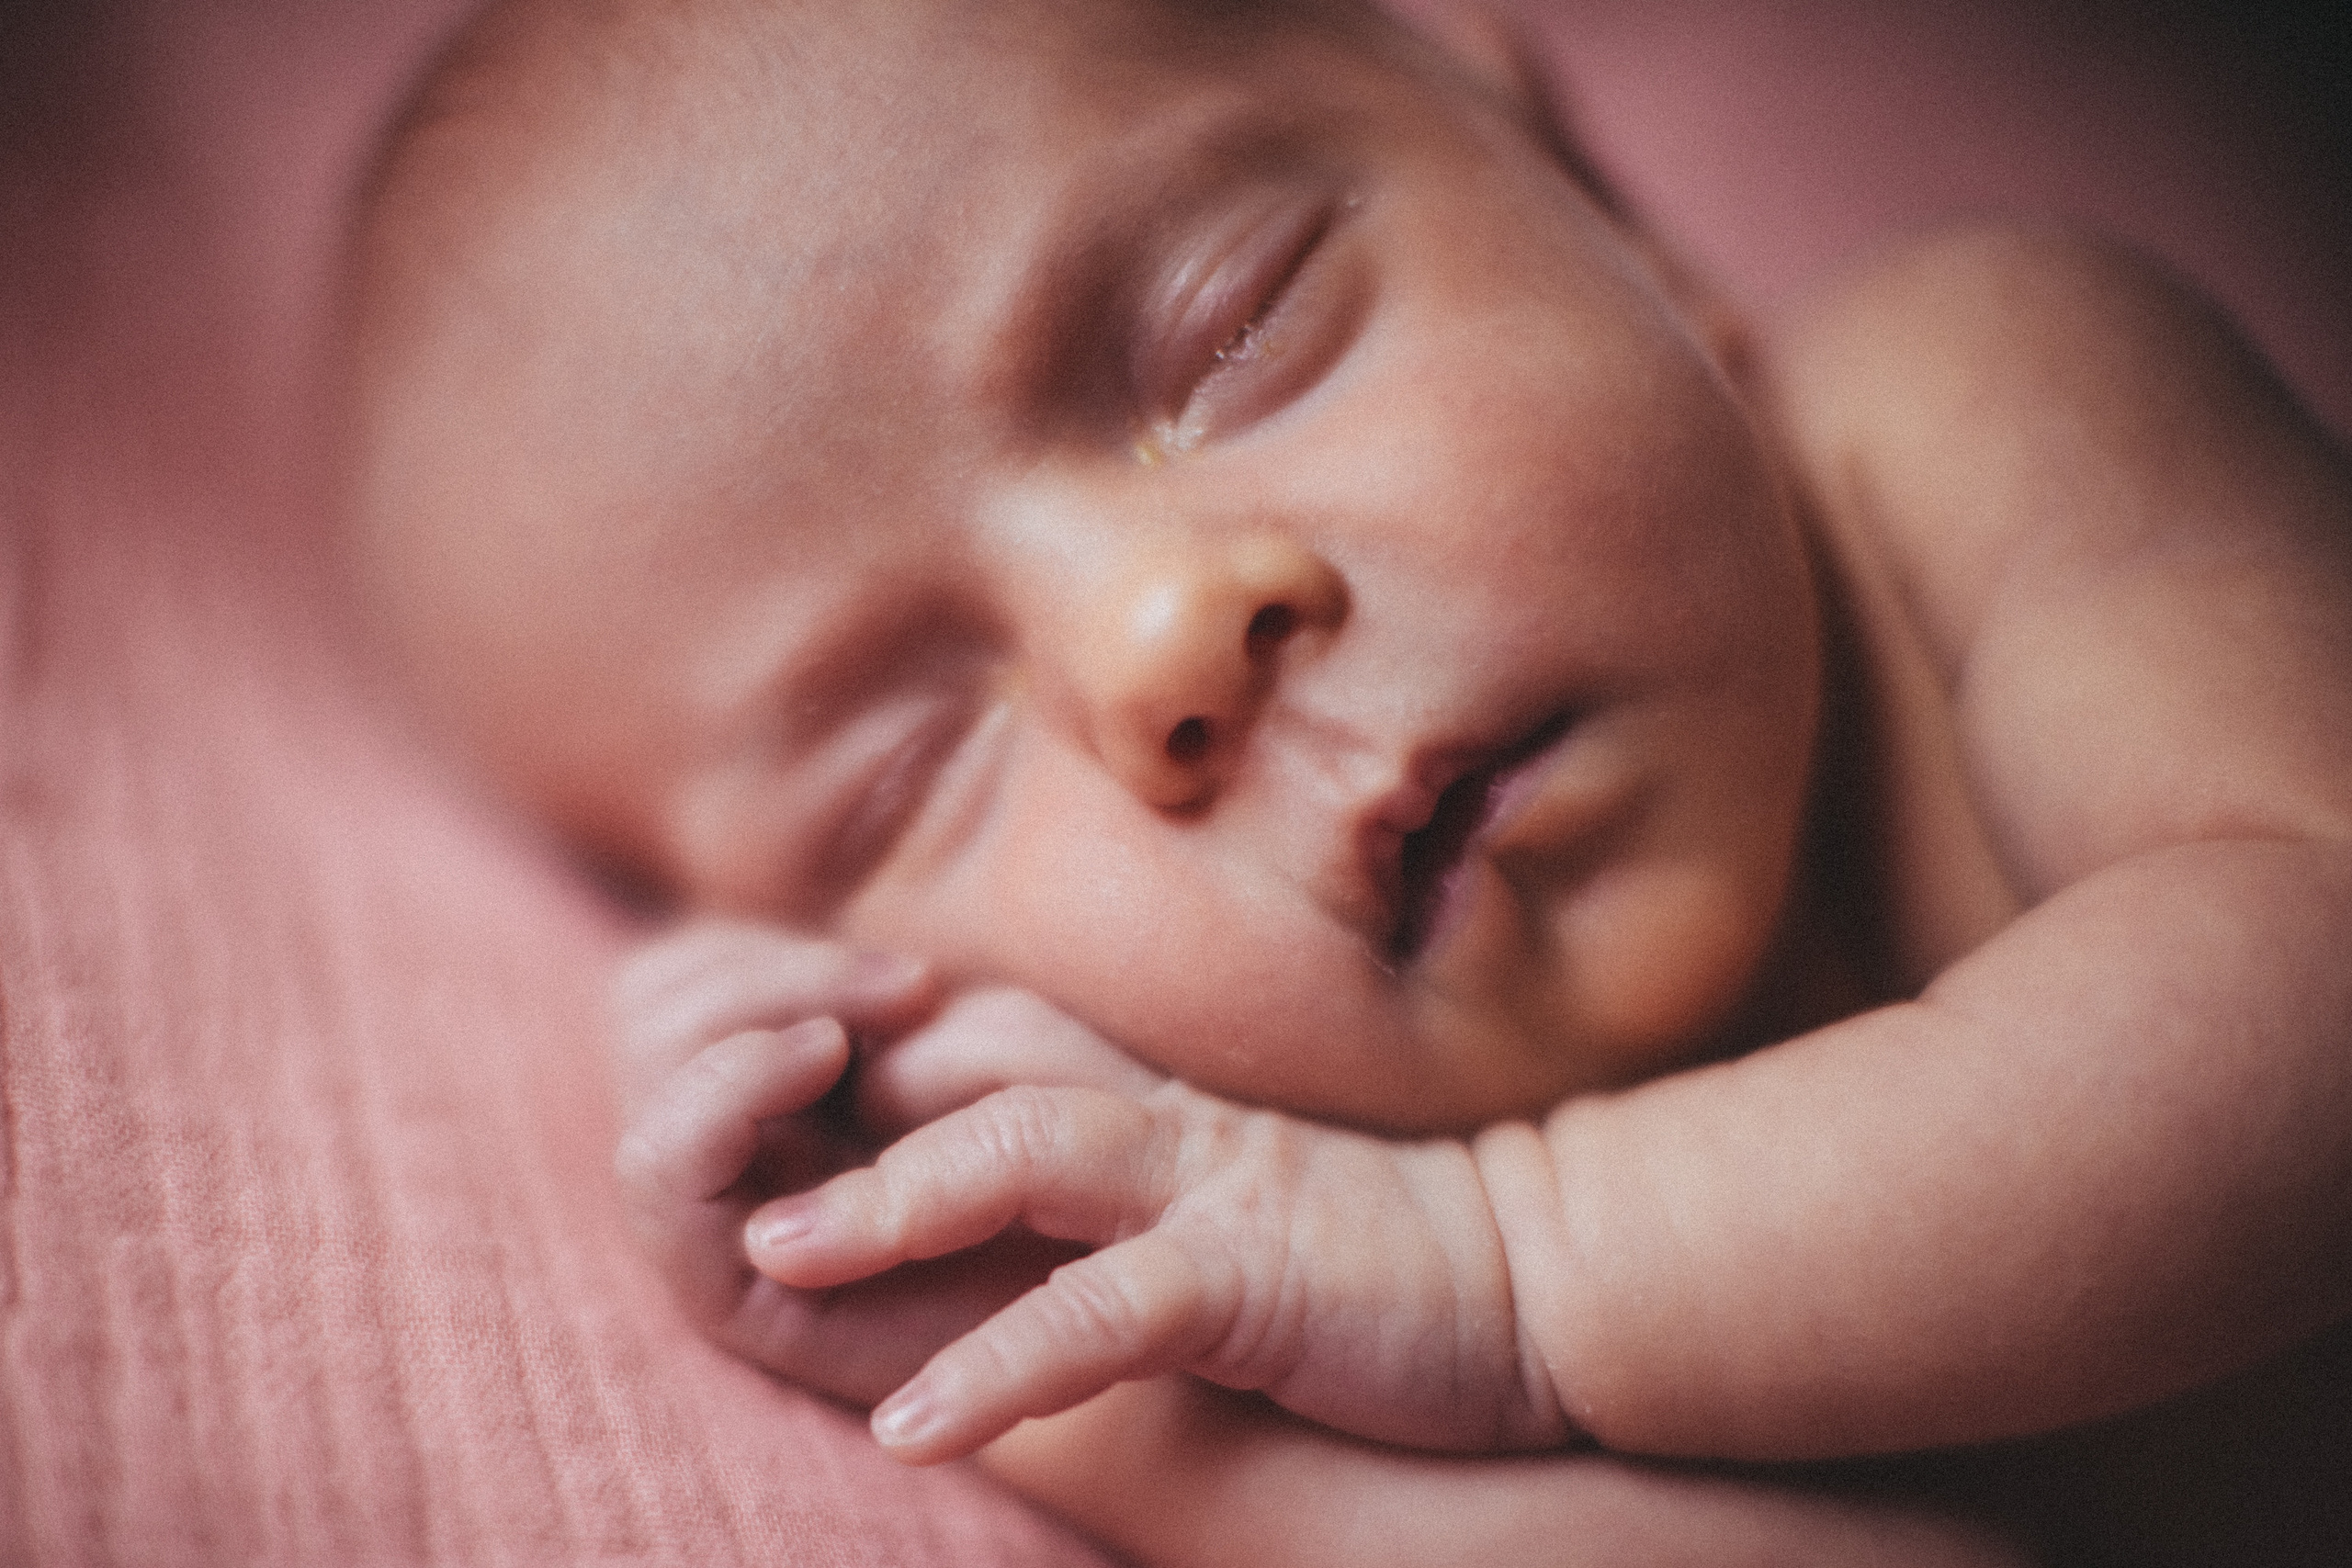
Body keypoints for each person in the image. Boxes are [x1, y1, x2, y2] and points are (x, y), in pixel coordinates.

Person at [344, 0, 2352, 1560]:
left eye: (1229, 338)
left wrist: (1504, 1269)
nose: (1161, 641)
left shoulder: (1969, 395)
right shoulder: (1323, 1248)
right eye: (906, 770)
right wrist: (1124, 1413)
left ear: (1564, 168)